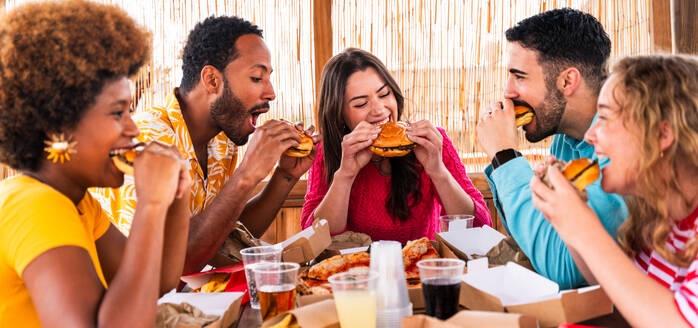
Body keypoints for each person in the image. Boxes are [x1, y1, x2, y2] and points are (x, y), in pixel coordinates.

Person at [0, 1, 190, 327]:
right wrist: (150, 205)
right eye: (118, 113)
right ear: (58, 123)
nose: (133, 129)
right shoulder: (33, 205)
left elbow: (156, 285)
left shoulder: (80, 203)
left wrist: (176, 198)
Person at [92, 16, 318, 274]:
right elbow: (168, 265)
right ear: (212, 80)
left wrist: (284, 176)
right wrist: (246, 175)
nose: (271, 93)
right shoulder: (148, 142)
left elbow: (223, 236)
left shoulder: (223, 142)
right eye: (257, 78)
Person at [531, 55, 698, 327]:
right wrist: (565, 222)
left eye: (605, 117)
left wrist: (582, 229)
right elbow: (628, 303)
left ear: (662, 135)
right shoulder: (663, 219)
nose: (589, 136)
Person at [476, 8, 628, 288]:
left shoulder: (621, 145)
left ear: (567, 81)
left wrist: (505, 156)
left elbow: (566, 270)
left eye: (519, 76)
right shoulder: (567, 138)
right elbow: (533, 238)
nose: (508, 91)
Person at [301, 48, 491, 244]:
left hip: (420, 266)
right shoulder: (326, 152)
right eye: (360, 104)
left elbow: (481, 227)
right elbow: (313, 240)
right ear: (339, 114)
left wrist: (437, 171)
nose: (379, 109)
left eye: (384, 94)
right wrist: (345, 175)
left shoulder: (430, 142)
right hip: (355, 272)